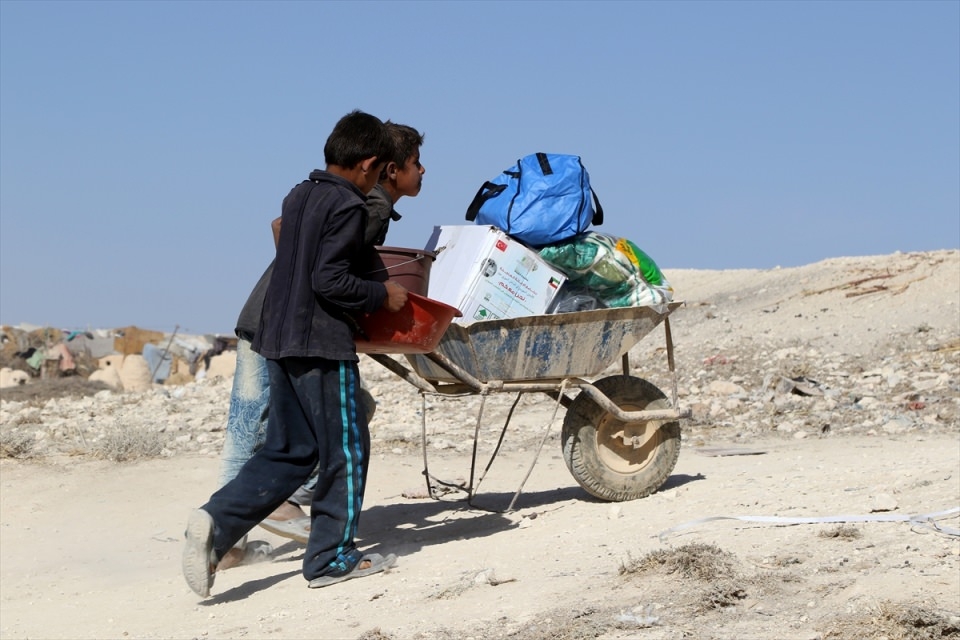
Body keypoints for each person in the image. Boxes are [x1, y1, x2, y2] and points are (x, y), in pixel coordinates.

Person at [182, 110, 408, 597]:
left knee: (288, 451)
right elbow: (329, 280)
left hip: (277, 340)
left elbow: (295, 257)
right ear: (369, 164)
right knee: (346, 449)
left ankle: (215, 524)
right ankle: (330, 557)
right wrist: (380, 297)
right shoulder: (349, 205)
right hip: (321, 343)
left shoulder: (299, 195)